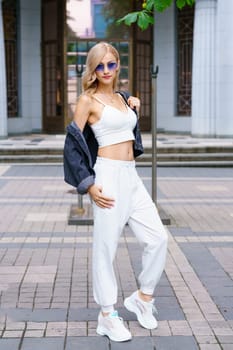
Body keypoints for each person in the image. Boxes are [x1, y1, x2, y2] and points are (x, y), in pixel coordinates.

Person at [64, 42, 168, 342]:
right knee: (106, 248)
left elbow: (127, 132)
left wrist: (132, 105)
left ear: (118, 64)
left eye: (111, 64)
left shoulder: (124, 98)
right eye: (100, 65)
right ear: (93, 69)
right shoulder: (87, 100)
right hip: (107, 176)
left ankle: (143, 298)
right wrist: (88, 184)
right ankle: (107, 314)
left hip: (131, 178)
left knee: (158, 238)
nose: (106, 70)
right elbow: (72, 145)